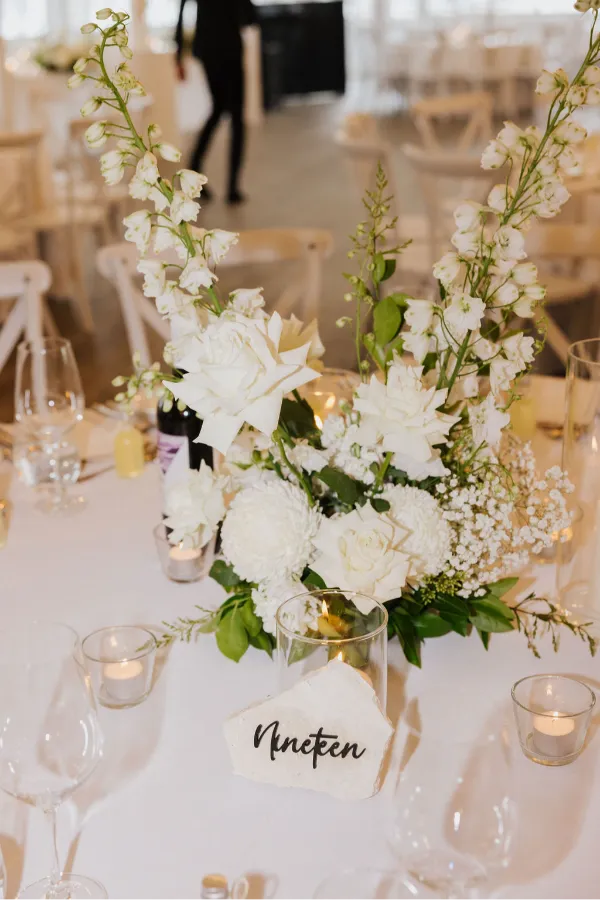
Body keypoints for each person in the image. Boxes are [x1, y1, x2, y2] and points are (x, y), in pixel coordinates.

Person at [175, 0, 257, 205]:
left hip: (208, 49)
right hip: (228, 49)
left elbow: (182, 10)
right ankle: (232, 187)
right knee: (235, 116)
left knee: (219, 109)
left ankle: (194, 167)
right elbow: (250, 17)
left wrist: (178, 56)